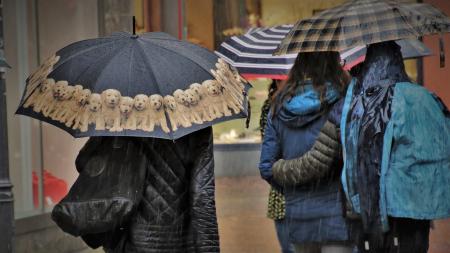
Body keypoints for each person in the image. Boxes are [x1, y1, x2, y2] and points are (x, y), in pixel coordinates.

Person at [340, 41, 450, 253]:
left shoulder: (377, 100)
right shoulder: (425, 96)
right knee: (417, 246)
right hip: (422, 200)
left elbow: (364, 153)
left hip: (392, 202)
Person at [53, 127, 220, 253]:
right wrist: (210, 249)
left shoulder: (123, 116)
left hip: (135, 239)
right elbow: (202, 197)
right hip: (182, 243)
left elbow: (83, 162)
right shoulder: (196, 124)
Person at [259, 51, 353, 253]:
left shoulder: (278, 107)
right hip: (338, 212)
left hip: (299, 214)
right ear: (333, 65)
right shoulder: (344, 101)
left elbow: (266, 167)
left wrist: (294, 189)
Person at [259, 79, 294, 253]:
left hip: (300, 191)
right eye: (280, 79)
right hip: (282, 193)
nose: (284, 81)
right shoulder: (269, 106)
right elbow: (268, 157)